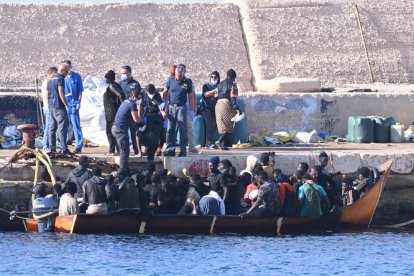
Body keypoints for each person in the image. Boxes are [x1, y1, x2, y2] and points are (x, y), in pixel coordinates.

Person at [163, 64, 196, 157]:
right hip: (171, 108)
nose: (179, 76)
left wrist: (192, 110)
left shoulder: (188, 82)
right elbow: (165, 92)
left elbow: (191, 96)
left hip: (182, 108)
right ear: (176, 72)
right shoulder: (170, 80)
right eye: (177, 74)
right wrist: (164, 106)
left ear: (184, 73)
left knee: (183, 130)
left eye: (181, 75)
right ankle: (170, 149)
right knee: (170, 129)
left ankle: (182, 151)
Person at [111, 88, 143, 175]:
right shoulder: (132, 104)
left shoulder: (125, 101)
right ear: (133, 96)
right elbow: (136, 119)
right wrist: (143, 120)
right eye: (138, 98)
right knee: (125, 151)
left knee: (123, 150)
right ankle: (122, 172)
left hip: (115, 128)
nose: (139, 100)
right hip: (120, 130)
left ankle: (122, 168)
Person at [46, 63, 70, 155]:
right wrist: (66, 105)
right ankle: (64, 148)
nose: (67, 73)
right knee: (62, 128)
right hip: (59, 107)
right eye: (66, 71)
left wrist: (48, 105)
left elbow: (47, 93)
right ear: (62, 71)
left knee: (52, 127)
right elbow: (61, 92)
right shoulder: (61, 78)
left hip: (51, 107)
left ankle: (52, 148)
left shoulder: (50, 79)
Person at [215, 69, 241, 150]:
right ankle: (219, 141)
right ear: (234, 77)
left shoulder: (219, 84)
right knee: (229, 125)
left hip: (218, 104)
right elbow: (233, 97)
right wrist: (237, 109)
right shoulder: (233, 84)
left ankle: (223, 145)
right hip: (226, 103)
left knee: (222, 124)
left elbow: (215, 95)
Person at [119, 65, 141, 155]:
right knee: (123, 132)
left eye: (124, 73)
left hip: (132, 111)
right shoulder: (120, 83)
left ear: (129, 73)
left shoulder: (135, 84)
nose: (122, 75)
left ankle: (136, 149)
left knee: (134, 132)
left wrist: (139, 112)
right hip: (123, 111)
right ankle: (123, 150)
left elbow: (139, 98)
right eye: (121, 73)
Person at [63, 60, 84, 154]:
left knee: (76, 125)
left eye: (68, 67)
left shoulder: (76, 77)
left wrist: (79, 102)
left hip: (73, 103)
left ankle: (79, 145)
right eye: (65, 67)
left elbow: (80, 91)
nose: (67, 69)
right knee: (64, 125)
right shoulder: (62, 78)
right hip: (65, 103)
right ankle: (65, 143)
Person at [103, 70, 125, 155]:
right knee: (112, 132)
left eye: (106, 78)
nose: (105, 80)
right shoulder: (112, 86)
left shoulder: (113, 86)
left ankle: (114, 150)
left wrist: (122, 107)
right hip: (110, 113)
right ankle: (115, 150)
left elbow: (121, 95)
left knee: (111, 132)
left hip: (112, 113)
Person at [141, 84, 164, 161]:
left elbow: (161, 106)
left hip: (156, 117)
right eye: (147, 92)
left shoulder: (157, 95)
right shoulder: (144, 94)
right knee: (146, 134)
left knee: (159, 134)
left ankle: (158, 149)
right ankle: (147, 149)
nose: (148, 94)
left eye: (150, 92)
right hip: (147, 116)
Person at [200, 71, 220, 149]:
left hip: (217, 108)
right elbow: (206, 94)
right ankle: (209, 143)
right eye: (212, 77)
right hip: (206, 109)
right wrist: (215, 91)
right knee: (210, 124)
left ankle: (216, 142)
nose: (213, 78)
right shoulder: (206, 85)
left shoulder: (220, 85)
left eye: (215, 77)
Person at [40, 66, 57, 151]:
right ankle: (46, 146)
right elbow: (47, 96)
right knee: (48, 127)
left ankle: (48, 145)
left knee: (50, 127)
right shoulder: (47, 83)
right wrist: (49, 107)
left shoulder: (46, 82)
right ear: (50, 73)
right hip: (48, 107)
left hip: (47, 107)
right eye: (55, 74)